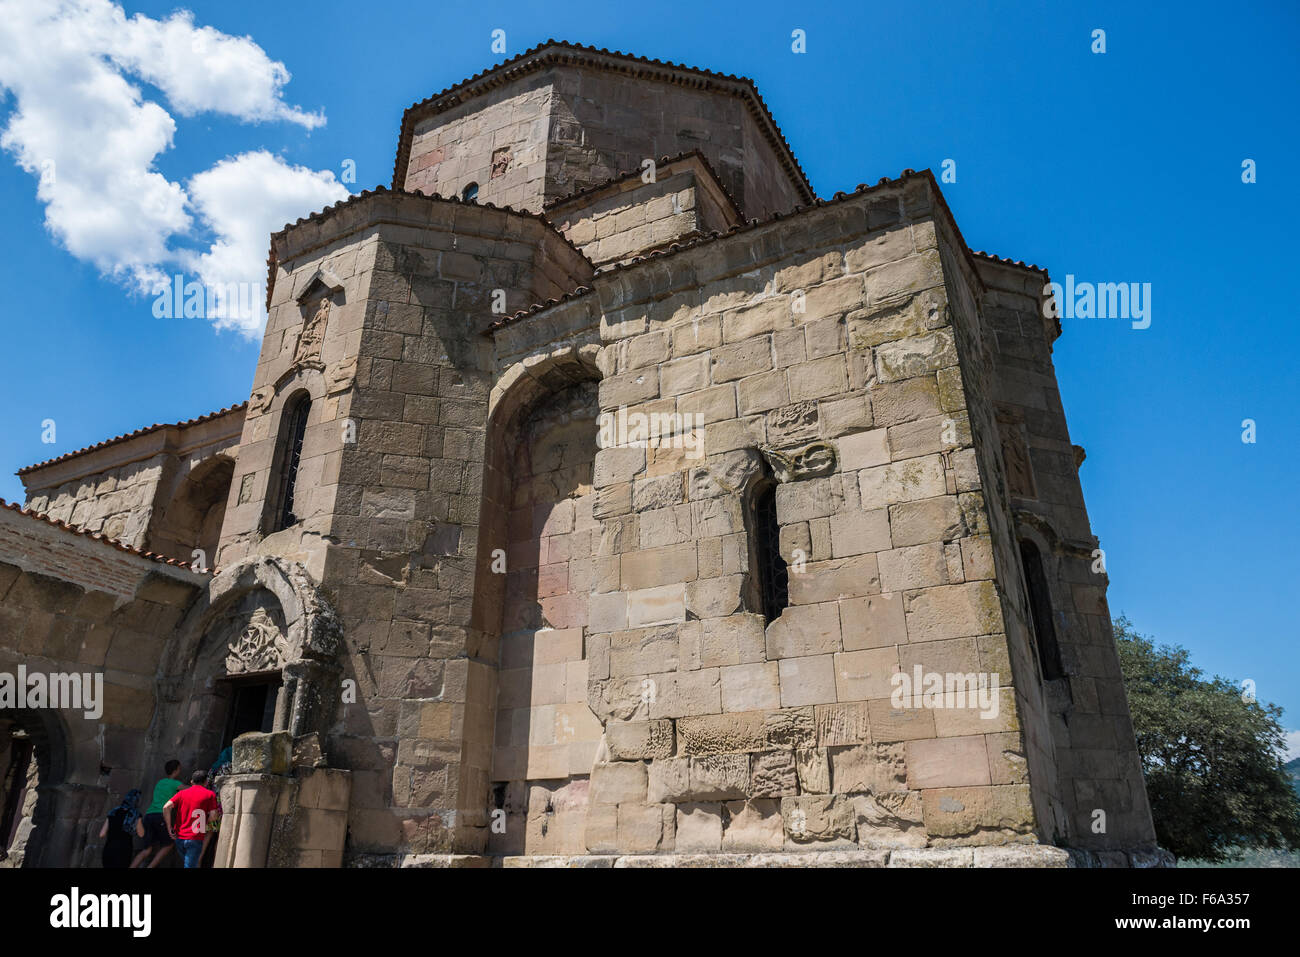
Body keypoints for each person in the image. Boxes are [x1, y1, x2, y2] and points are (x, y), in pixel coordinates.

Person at [164, 770, 220, 869]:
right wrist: (205, 822)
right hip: (195, 837)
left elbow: (166, 807)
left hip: (179, 838)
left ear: (191, 782)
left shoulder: (181, 793)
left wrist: (169, 827)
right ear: (206, 782)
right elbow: (214, 815)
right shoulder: (210, 794)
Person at [132, 759, 183, 868]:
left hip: (149, 815)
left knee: (147, 849)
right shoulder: (176, 783)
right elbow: (189, 789)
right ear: (176, 770)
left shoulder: (160, 782)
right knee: (169, 843)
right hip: (161, 816)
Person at [99, 789, 144, 869]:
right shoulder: (135, 814)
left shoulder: (113, 811)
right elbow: (141, 834)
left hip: (109, 849)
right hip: (124, 851)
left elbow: (102, 834)